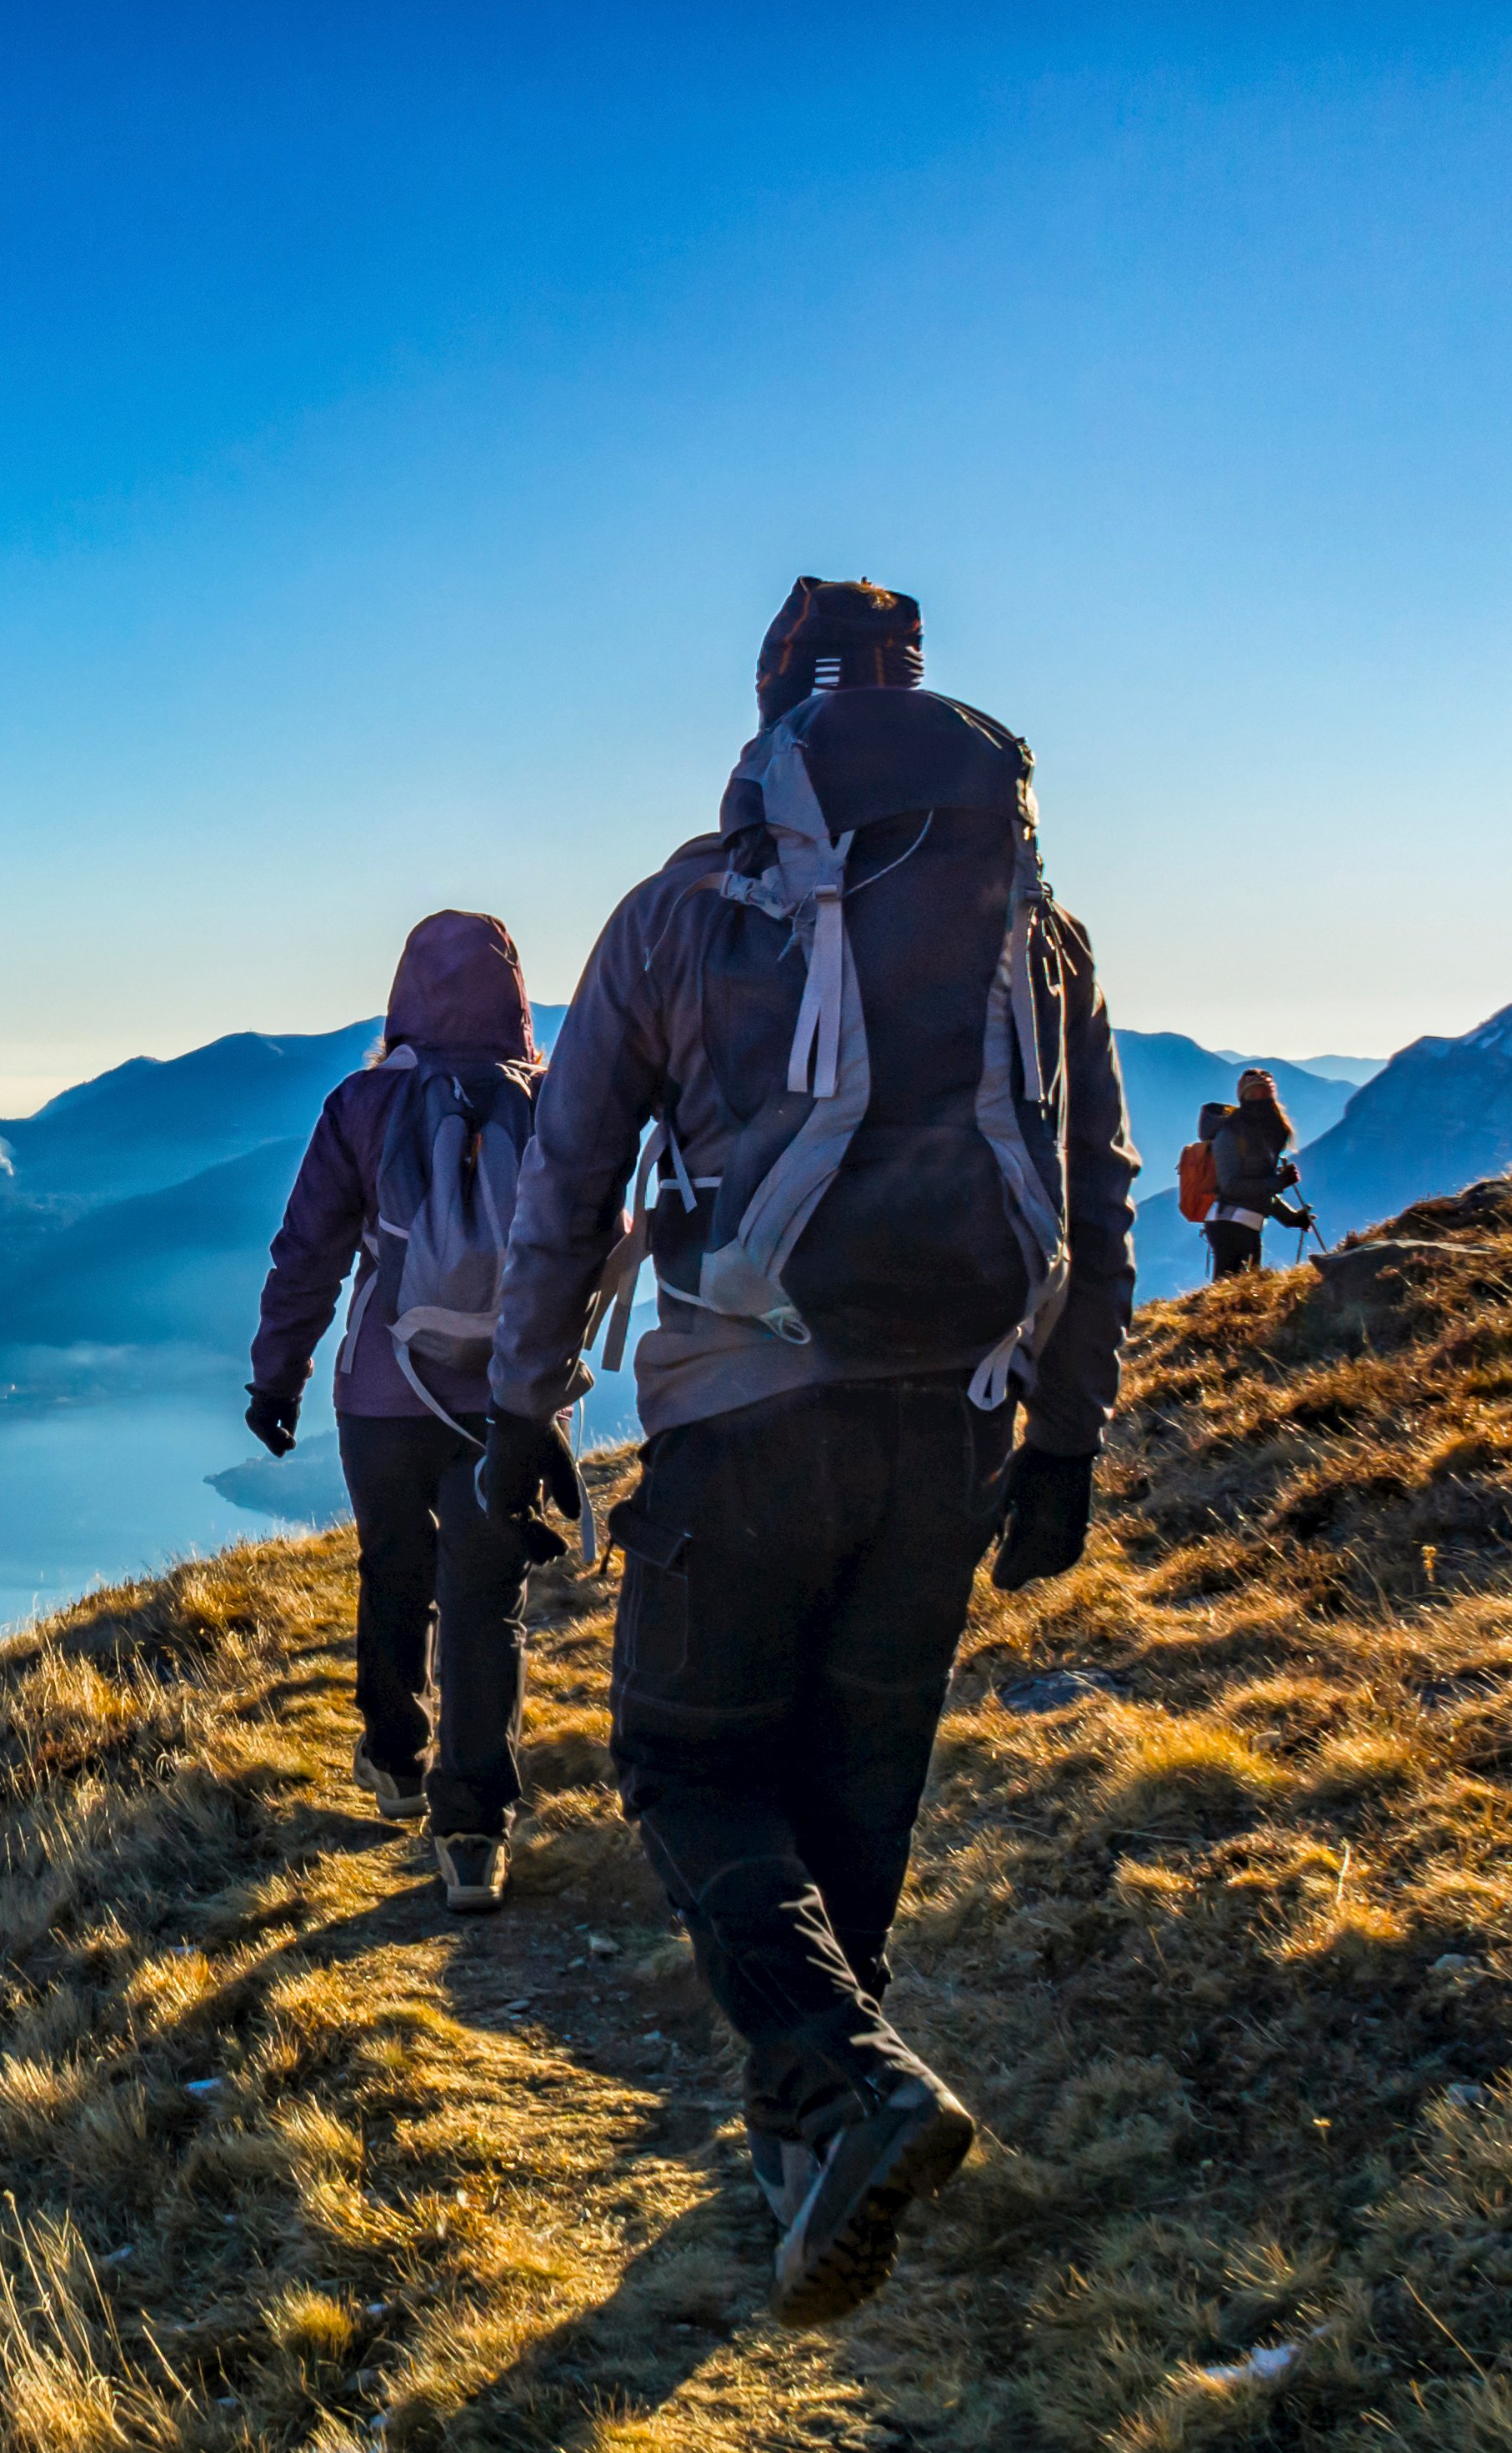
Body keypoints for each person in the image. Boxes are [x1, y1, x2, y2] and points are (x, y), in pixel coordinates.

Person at [474, 577, 1137, 2325]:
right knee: (851, 1795)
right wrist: (1063, 1432)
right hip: (957, 1422)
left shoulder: (686, 912)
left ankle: (844, 2101)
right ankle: (812, 2165)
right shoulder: (1035, 930)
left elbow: (566, 1181)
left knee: (688, 1769)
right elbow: (1096, 1188)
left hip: (744, 1416)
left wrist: (526, 1403)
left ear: (770, 715)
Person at [247, 910, 543, 1913]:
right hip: (504, 1397)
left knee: (394, 1571)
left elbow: (308, 1256)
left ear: (403, 993)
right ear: (512, 994)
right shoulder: (545, 1109)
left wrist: (275, 1379)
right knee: (483, 1597)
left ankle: (394, 1761)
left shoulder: (362, 1105)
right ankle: (473, 1832)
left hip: (382, 1391)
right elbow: (574, 1249)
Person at [1202, 1067, 1315, 1277]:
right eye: (1253, 1094)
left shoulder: (1266, 1133)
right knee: (1235, 1296)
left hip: (1240, 1224)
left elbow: (1261, 1190)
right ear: (1243, 1097)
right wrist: (1279, 1182)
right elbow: (1231, 1186)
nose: (1259, 1099)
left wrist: (1292, 1218)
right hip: (1229, 1225)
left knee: (1239, 1293)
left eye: (1264, 1093)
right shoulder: (1230, 1133)